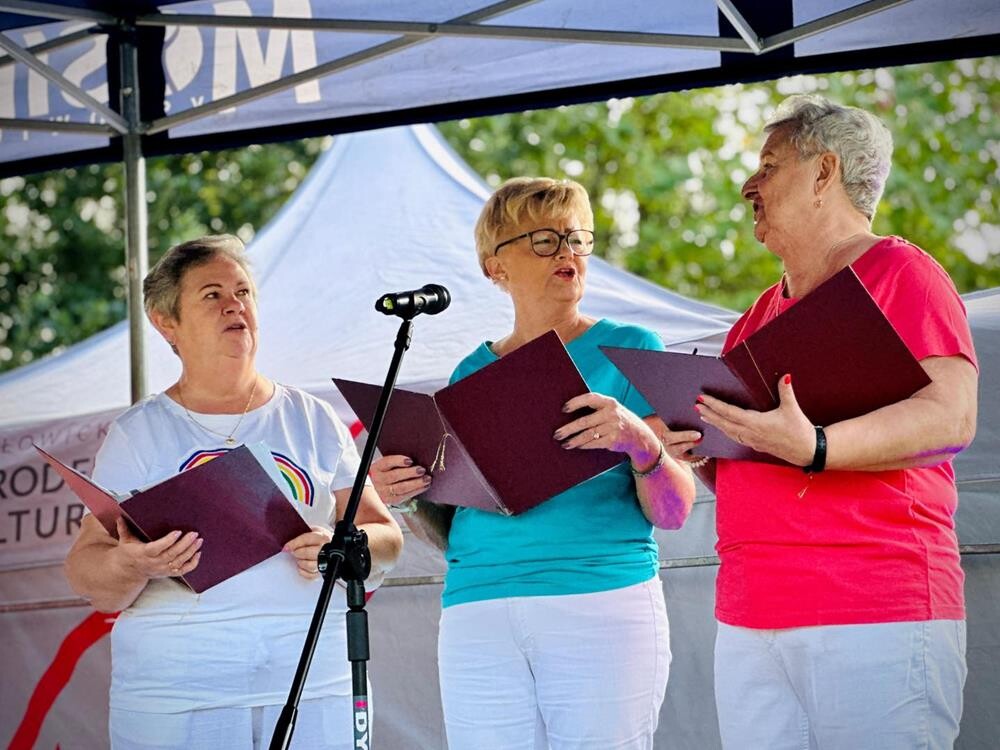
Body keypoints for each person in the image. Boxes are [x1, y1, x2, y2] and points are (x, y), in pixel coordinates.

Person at [682, 95, 979, 749]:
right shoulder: (751, 319)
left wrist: (816, 445)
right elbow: (750, 466)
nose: (748, 186)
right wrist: (702, 448)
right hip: (750, 616)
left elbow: (951, 415)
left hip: (874, 606)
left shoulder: (902, 272)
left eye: (768, 167)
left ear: (824, 172)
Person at [371, 177, 696, 750]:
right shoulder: (468, 373)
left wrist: (642, 443)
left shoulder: (631, 347)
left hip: (597, 597)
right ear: (495, 267)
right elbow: (451, 525)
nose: (567, 251)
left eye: (576, 237)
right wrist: (408, 495)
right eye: (544, 240)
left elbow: (674, 512)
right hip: (476, 605)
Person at [64, 235, 403, 750]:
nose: (234, 305)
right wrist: (133, 563)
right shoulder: (139, 432)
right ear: (166, 322)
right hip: (177, 696)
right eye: (212, 294)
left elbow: (387, 537)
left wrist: (341, 543)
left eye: (243, 292)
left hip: (314, 683)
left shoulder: (312, 418)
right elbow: (87, 571)